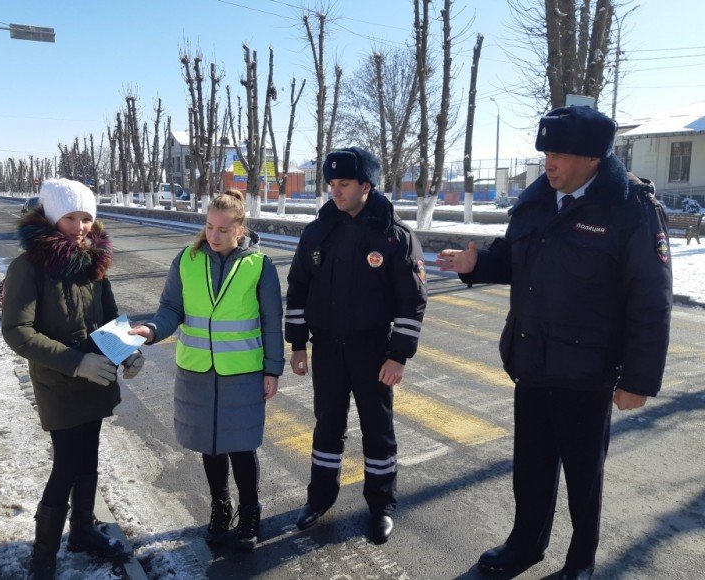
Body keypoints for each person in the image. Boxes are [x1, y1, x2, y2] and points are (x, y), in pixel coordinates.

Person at [437, 106, 673, 579]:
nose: (549, 163)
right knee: (531, 469)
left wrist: (638, 380)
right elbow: (514, 258)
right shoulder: (539, 199)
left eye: (560, 154)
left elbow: (651, 301)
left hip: (588, 373)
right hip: (532, 360)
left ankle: (579, 562)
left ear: (592, 158)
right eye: (546, 152)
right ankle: (525, 546)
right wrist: (476, 265)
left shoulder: (630, 210)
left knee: (584, 478)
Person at [1, 178, 143, 579]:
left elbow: (110, 319)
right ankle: (42, 559)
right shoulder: (28, 266)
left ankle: (81, 531)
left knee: (90, 455)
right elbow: (18, 331)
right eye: (70, 218)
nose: (80, 226)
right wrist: (75, 362)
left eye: (86, 218)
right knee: (66, 463)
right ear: (50, 217)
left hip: (97, 378)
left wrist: (127, 351)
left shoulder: (94, 262)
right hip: (60, 382)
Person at [285, 147, 428, 544]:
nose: (335, 191)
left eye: (343, 184)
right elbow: (298, 290)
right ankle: (319, 498)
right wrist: (298, 345)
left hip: (373, 352)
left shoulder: (393, 236)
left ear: (366, 185)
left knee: (377, 430)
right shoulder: (317, 232)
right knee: (326, 426)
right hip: (327, 348)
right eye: (331, 184)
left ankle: (381, 505)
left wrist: (398, 355)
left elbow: (411, 302)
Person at [129, 189, 284, 551]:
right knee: (210, 447)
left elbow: (271, 321)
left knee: (242, 447)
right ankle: (220, 506)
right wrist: (152, 330)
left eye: (223, 230)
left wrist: (272, 370)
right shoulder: (187, 259)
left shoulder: (259, 266)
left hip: (242, 372)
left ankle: (249, 511)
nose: (213, 236)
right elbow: (171, 309)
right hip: (197, 370)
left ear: (240, 229)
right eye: (209, 226)